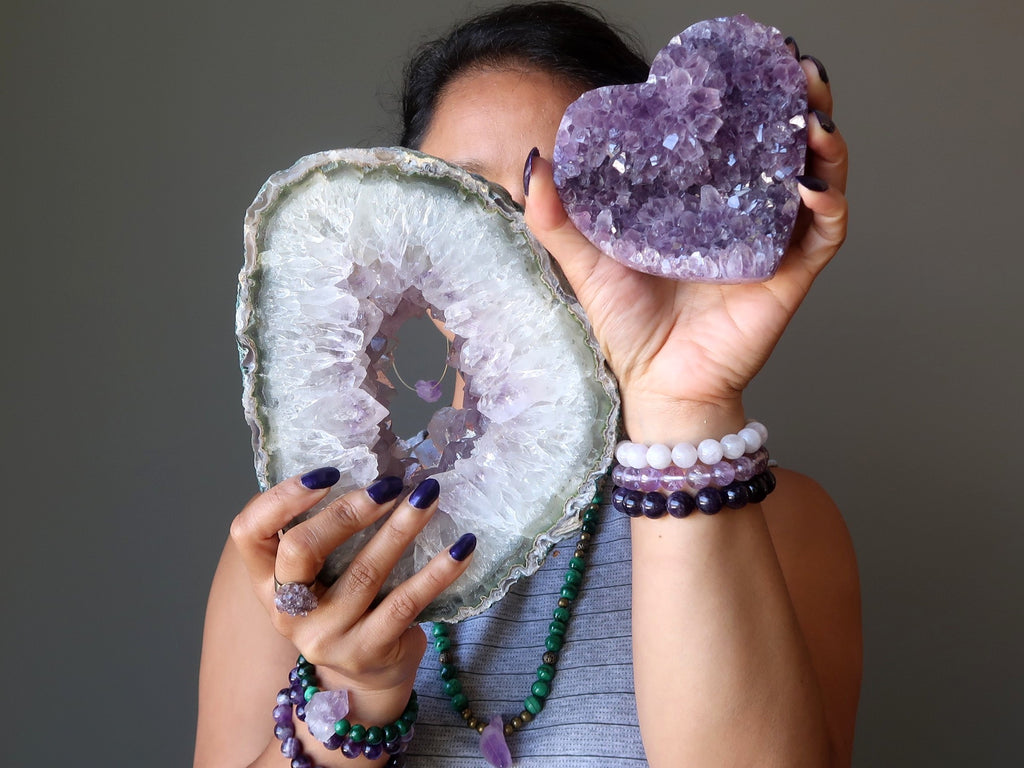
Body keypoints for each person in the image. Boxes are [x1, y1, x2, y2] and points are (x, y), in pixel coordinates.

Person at [195, 3, 860, 767]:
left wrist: (686, 404)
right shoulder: (305, 550)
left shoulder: (782, 526)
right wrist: (355, 697)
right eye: (471, 200)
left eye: (566, 203)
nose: (522, 248)